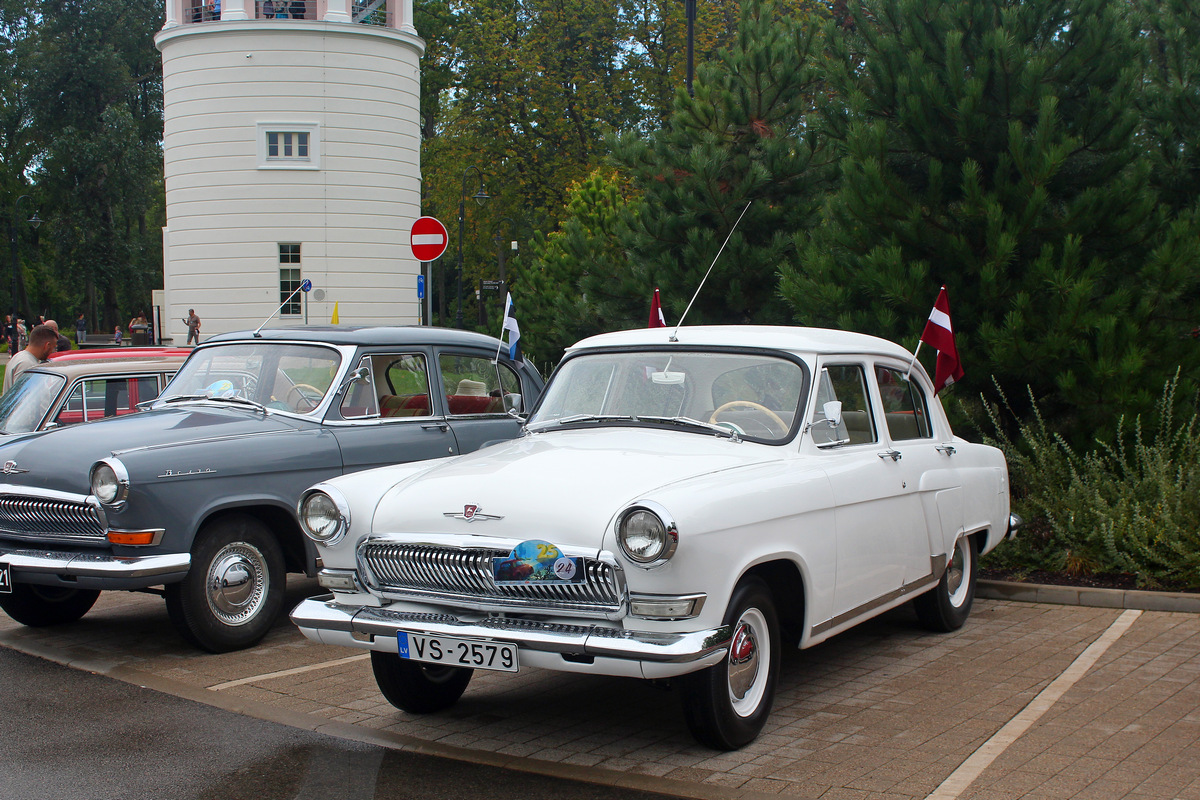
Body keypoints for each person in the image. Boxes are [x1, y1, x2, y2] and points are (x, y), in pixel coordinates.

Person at [2, 325, 58, 393]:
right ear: (47, 345)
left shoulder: (18, 357)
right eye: (54, 347)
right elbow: (23, 397)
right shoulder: (27, 364)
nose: (53, 351)